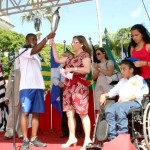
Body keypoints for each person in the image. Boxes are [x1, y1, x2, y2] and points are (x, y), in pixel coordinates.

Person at [50, 35, 92, 150]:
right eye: (72, 42)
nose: (72, 44)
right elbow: (57, 59)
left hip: (79, 87)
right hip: (68, 87)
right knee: (69, 113)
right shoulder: (70, 58)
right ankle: (72, 137)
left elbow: (87, 70)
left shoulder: (85, 55)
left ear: (82, 44)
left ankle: (88, 139)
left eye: (75, 42)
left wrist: (73, 69)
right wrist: (53, 45)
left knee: (83, 113)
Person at [19, 32, 55, 150]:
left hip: (38, 87)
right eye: (33, 39)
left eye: (36, 40)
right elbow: (35, 49)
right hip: (26, 87)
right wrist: (46, 38)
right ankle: (25, 140)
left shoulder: (37, 55)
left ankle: (34, 138)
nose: (35, 41)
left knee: (36, 113)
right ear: (27, 40)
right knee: (25, 113)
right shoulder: (23, 51)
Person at [99, 58, 149, 140]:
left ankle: (123, 136)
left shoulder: (138, 79)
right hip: (121, 103)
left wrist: (127, 99)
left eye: (124, 69)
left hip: (134, 102)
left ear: (131, 70)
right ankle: (113, 137)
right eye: (121, 69)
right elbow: (113, 92)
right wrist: (104, 95)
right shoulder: (122, 81)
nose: (121, 71)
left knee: (120, 108)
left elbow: (144, 91)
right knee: (109, 110)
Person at [92, 47, 114, 115]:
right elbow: (93, 78)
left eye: (98, 54)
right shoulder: (96, 65)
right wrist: (96, 70)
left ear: (104, 53)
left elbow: (110, 73)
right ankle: (99, 123)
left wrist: (98, 68)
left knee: (109, 106)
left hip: (107, 85)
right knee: (98, 108)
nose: (97, 55)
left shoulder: (109, 62)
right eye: (96, 54)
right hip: (99, 86)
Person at [130, 24, 150, 91]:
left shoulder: (148, 46)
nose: (134, 38)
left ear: (143, 34)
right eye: (132, 36)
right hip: (137, 81)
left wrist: (144, 63)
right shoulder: (132, 48)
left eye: (136, 35)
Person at [4, 68, 23, 140]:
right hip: (15, 98)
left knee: (23, 116)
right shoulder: (14, 72)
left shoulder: (29, 72)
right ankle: (9, 132)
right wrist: (7, 98)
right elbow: (9, 85)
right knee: (12, 116)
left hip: (26, 99)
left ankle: (21, 132)